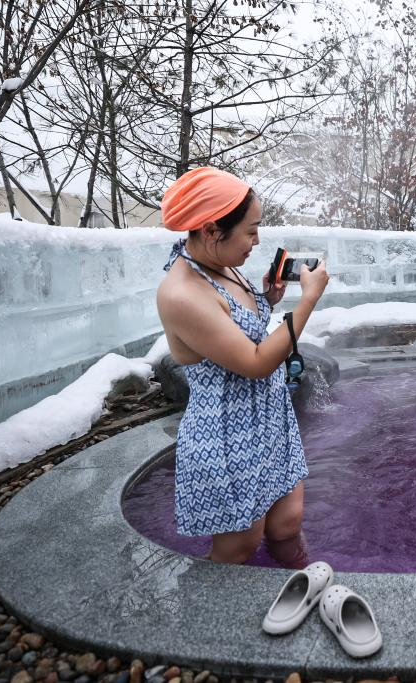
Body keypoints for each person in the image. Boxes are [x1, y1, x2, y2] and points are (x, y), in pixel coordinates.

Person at [155, 166, 329, 565]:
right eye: (250, 231)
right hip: (227, 434)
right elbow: (255, 363)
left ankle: (306, 586)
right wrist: (306, 303)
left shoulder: (221, 265)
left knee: (287, 523)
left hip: (268, 418)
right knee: (240, 545)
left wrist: (267, 299)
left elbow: (237, 332)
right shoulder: (182, 293)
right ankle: (209, 618)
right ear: (213, 230)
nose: (256, 240)